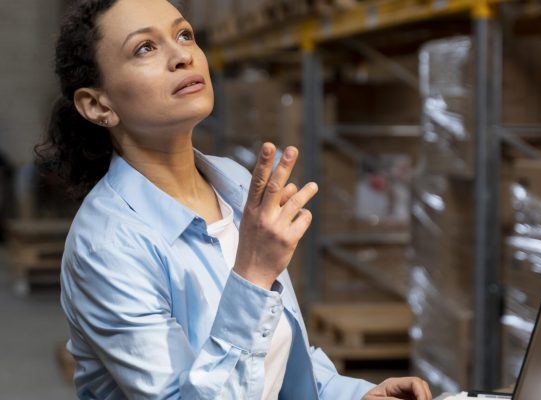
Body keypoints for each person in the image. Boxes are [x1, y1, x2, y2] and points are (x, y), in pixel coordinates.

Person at [36, 0, 432, 399]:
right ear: (98, 105)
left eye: (184, 35)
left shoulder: (236, 184)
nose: (181, 56)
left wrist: (352, 395)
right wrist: (254, 274)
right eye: (145, 48)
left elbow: (277, 352)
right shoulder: (107, 245)